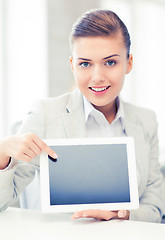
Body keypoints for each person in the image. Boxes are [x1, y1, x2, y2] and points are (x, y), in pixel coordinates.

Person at [0, 9, 163, 222]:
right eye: (85, 64)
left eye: (110, 62)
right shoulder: (46, 114)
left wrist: (120, 215)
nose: (97, 77)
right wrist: (2, 154)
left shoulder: (146, 120)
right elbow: (3, 202)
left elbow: (155, 207)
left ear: (129, 63)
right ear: (72, 65)